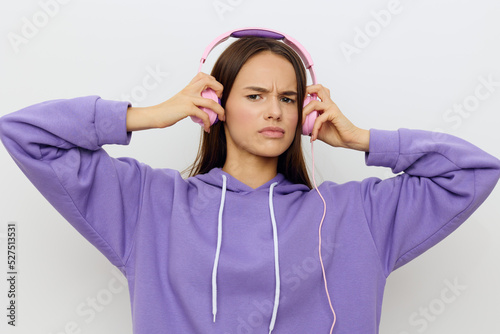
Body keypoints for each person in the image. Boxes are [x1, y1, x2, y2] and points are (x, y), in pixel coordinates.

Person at [0, 33, 499, 334]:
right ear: (217, 103)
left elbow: (473, 171)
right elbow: (26, 134)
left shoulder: (359, 214)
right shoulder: (149, 205)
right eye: (256, 95)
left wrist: (362, 140)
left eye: (287, 98)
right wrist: (149, 115)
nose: (274, 111)